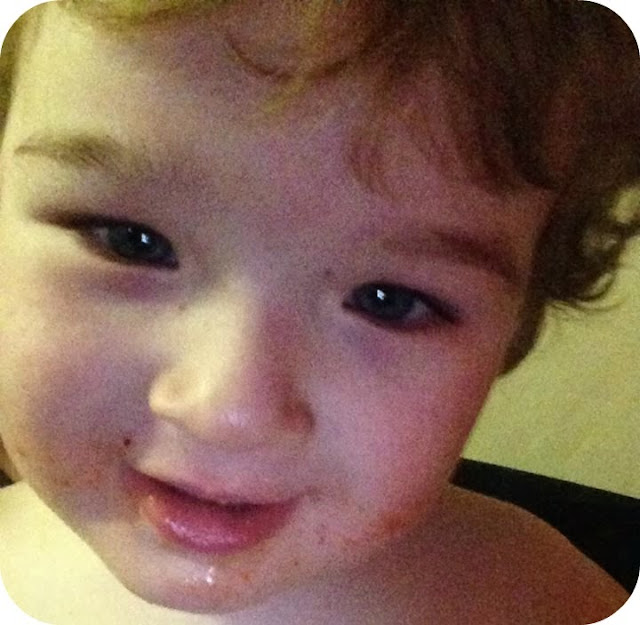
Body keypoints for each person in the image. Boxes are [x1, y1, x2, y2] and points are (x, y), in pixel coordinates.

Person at [0, 1, 638, 623]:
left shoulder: (546, 600)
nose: (230, 415)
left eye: (390, 301)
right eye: (131, 242)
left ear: (514, 332)